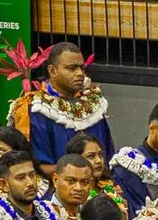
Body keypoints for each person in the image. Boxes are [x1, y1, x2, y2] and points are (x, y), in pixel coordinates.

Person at [13, 42, 111, 170]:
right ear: (52, 71)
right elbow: (40, 167)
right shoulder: (38, 109)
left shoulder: (93, 106)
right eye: (72, 68)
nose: (80, 73)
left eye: (82, 68)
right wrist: (83, 171)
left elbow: (109, 158)